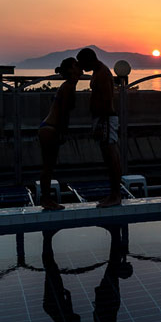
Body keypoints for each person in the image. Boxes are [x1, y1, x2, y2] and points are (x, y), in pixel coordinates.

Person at [76, 48, 122, 207]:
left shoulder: (102, 73)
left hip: (106, 119)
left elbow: (107, 101)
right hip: (102, 119)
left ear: (89, 60)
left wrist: (101, 124)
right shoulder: (98, 71)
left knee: (111, 158)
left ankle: (116, 195)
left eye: (82, 64)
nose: (81, 68)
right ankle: (113, 194)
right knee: (108, 158)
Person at [38, 58, 82, 210]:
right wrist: (63, 132)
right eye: (76, 65)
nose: (79, 67)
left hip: (48, 127)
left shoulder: (68, 86)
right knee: (48, 167)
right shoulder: (68, 86)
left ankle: (46, 199)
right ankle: (46, 200)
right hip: (51, 128)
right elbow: (64, 113)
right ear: (71, 70)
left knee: (48, 166)